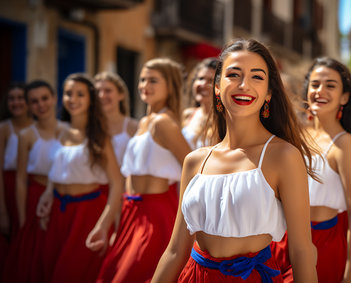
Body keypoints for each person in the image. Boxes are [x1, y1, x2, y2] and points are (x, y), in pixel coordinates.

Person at [152, 39, 318, 282]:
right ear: (217, 87)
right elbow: (176, 250)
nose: (244, 85)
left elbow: (301, 251)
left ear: (269, 93)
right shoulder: (195, 161)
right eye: (234, 74)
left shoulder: (284, 156)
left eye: (257, 77)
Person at [272, 57, 351, 282]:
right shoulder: (297, 136)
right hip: (282, 239)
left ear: (344, 97)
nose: (321, 91)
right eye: (315, 84)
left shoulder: (345, 144)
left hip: (323, 242)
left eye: (330, 85)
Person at [96, 58, 191, 282]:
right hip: (131, 211)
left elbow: (193, 166)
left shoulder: (163, 123)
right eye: (142, 79)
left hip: (154, 215)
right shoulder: (144, 122)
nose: (144, 85)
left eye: (153, 80)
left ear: (170, 86)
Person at [36, 73, 123, 283]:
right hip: (58, 213)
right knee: (49, 272)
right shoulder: (60, 132)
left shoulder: (99, 136)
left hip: (87, 215)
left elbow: (117, 183)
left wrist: (103, 225)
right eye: (68, 94)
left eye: (80, 94)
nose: (72, 99)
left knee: (71, 275)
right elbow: (57, 170)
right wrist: (48, 194)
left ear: (91, 100)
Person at [2, 80, 66, 283]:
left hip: (64, 197)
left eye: (45, 98)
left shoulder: (70, 130)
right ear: (29, 106)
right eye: (35, 101)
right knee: (34, 257)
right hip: (35, 199)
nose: (41, 105)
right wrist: (22, 219)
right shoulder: (26, 135)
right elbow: (21, 179)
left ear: (55, 99)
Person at [0, 82, 33, 241]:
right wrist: (2, 212)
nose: (16, 102)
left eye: (21, 98)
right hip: (9, 189)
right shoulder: (4, 129)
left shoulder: (38, 127)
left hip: (33, 189)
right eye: (11, 99)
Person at [94, 72, 138, 166]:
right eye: (97, 91)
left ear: (121, 95)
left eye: (108, 91)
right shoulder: (90, 127)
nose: (101, 95)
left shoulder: (133, 127)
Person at [182, 57, 218, 149]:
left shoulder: (225, 120)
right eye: (200, 78)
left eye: (210, 80)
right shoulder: (188, 115)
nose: (203, 84)